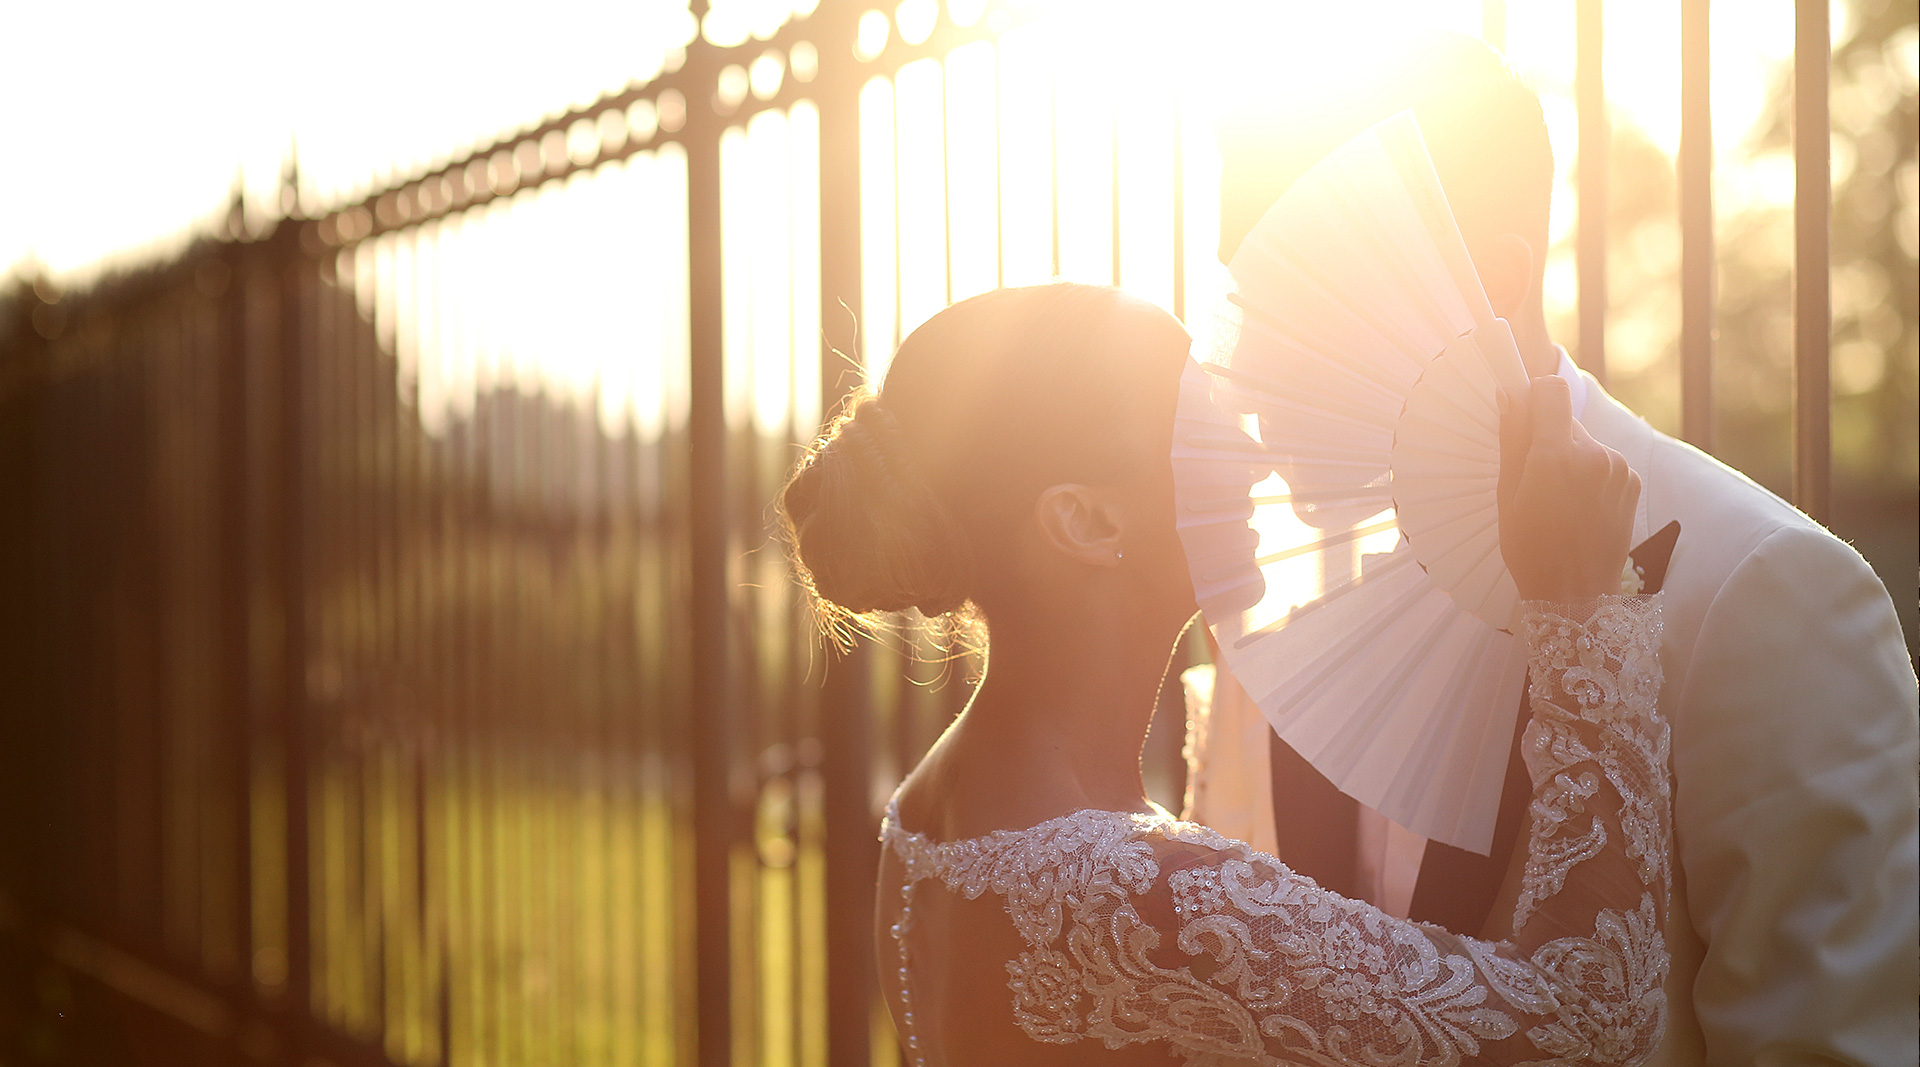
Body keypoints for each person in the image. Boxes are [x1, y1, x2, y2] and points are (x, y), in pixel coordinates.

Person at [1197, 33, 1920, 1067]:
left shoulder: (1768, 599)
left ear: (1483, 286)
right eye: (1242, 307)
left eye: (1298, 313)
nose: (1252, 377)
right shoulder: (1269, 606)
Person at [780, 282, 1668, 1064]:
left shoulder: (924, 815)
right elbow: (1586, 1019)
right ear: (1086, 521)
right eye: (1203, 423)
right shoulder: (1133, 894)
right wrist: (1580, 613)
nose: (1255, 454)